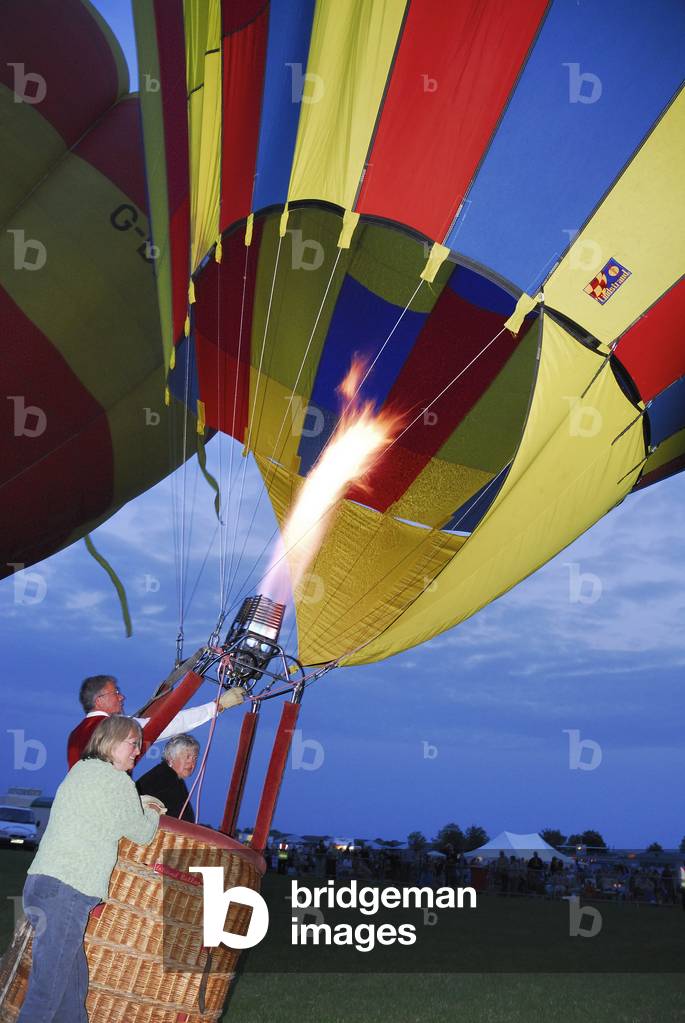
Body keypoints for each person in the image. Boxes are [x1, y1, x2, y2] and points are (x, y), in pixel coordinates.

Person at [18, 716, 165, 1023]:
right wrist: (151, 808)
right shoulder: (117, 781)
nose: (138, 751)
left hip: (40, 884)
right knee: (46, 993)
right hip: (69, 890)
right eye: (133, 743)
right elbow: (142, 833)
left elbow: (100, 814)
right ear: (110, 743)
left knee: (71, 991)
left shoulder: (80, 771)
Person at [67, 675, 245, 767]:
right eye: (116, 693)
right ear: (99, 700)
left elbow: (151, 733)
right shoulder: (113, 727)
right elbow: (165, 725)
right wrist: (216, 706)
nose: (122, 697)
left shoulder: (75, 733)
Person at [136, 734, 200, 822]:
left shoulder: (173, 778)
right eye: (187, 757)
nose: (192, 763)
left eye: (195, 758)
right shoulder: (162, 778)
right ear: (171, 758)